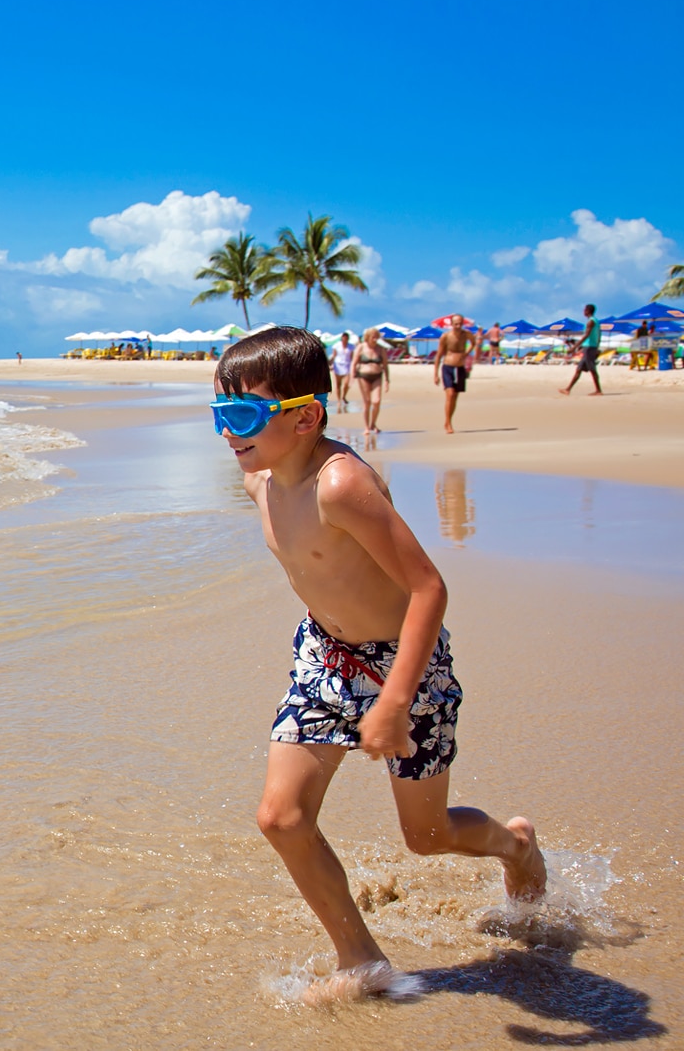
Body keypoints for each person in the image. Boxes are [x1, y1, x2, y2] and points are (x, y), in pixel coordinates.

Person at [211, 327, 547, 1002]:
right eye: (218, 413)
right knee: (281, 818)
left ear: (306, 416)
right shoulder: (259, 478)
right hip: (325, 658)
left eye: (242, 415)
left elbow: (429, 588)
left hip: (406, 667)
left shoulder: (343, 485)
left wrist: (395, 699)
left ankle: (515, 845)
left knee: (426, 836)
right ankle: (362, 960)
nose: (227, 432)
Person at [435, 315, 473, 433]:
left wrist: (466, 353)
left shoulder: (466, 334)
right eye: (456, 324)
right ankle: (448, 423)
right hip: (448, 366)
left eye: (460, 323)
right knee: (450, 394)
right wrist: (435, 374)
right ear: (451, 324)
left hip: (460, 367)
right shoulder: (445, 336)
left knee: (455, 397)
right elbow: (439, 354)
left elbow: (473, 342)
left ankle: (448, 421)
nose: (458, 326)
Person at [559, 304, 604, 396]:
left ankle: (598, 390)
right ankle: (568, 389)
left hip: (589, 347)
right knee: (579, 369)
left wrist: (574, 347)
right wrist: (597, 346)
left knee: (592, 369)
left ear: (588, 311)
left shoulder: (591, 322)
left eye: (585, 310)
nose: (583, 311)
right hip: (590, 347)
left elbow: (586, 335)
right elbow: (599, 335)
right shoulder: (596, 321)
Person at [353, 327, 386, 434]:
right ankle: (366, 427)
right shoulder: (361, 347)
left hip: (377, 376)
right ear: (368, 337)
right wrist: (352, 376)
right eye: (373, 336)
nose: (375, 339)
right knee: (367, 402)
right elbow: (354, 363)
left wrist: (387, 380)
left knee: (376, 401)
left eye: (377, 336)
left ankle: (373, 424)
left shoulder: (381, 349)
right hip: (363, 376)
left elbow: (385, 365)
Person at [331, 333, 355, 413]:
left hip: (347, 365)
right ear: (342, 338)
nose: (345, 340)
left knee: (347, 384)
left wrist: (354, 366)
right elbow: (334, 355)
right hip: (338, 365)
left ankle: (344, 396)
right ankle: (338, 400)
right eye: (343, 338)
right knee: (338, 384)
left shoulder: (351, 346)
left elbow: (352, 357)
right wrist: (330, 364)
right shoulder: (336, 345)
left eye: (346, 338)